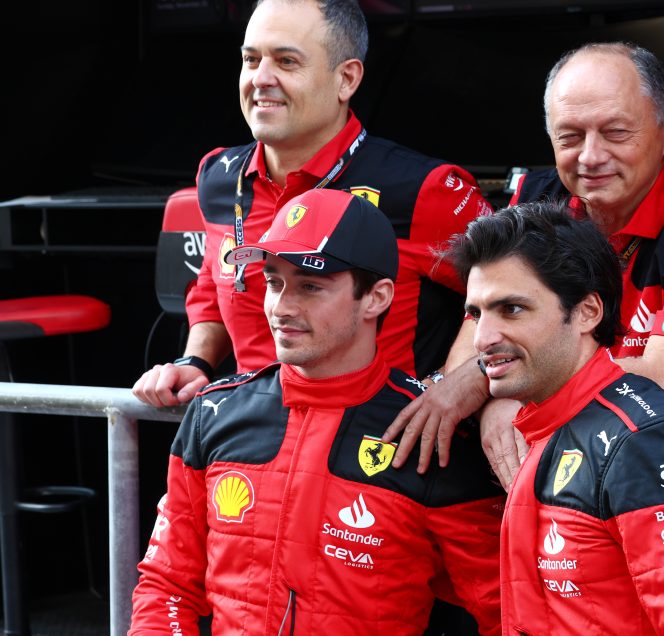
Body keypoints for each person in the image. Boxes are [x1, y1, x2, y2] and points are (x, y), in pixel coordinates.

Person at [383, 42, 664, 621]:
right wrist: (492, 385)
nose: (590, 157)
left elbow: (660, 382)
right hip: (557, 509)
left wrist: (501, 391)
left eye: (615, 132)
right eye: (570, 136)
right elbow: (482, 318)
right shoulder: (535, 198)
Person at [129, 188, 503, 635]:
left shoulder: (428, 432)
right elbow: (167, 583)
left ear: (377, 297)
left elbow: (505, 610)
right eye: (273, 281)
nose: (282, 307)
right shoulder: (216, 411)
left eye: (310, 286)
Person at [132, 0, 491, 407]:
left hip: (381, 459)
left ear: (347, 79)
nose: (260, 79)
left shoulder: (422, 188)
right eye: (251, 60)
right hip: (251, 453)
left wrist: (452, 384)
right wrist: (197, 361)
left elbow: (511, 293)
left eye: (286, 61)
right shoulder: (219, 176)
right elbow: (214, 282)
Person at [448, 201, 664, 635]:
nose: (483, 339)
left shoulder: (650, 440)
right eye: (476, 314)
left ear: (588, 312)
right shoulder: (547, 421)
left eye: (512, 309)